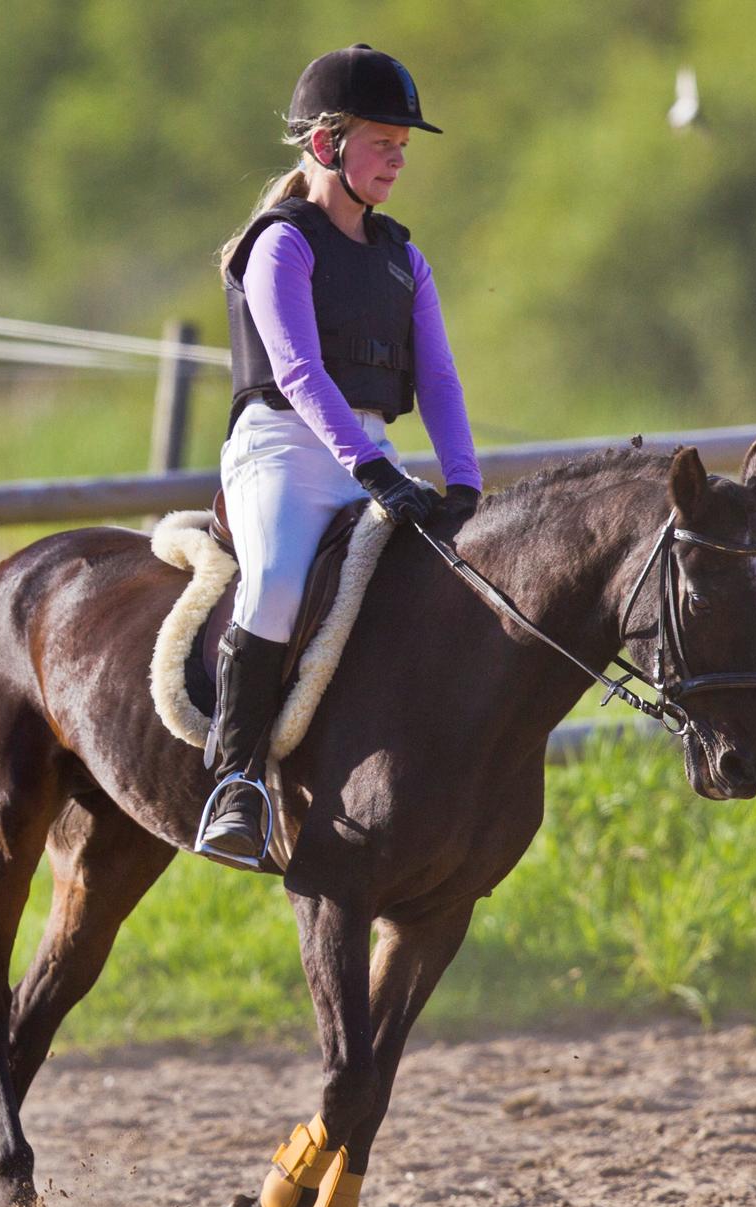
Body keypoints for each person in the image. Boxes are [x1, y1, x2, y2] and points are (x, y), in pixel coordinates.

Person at [196, 43, 483, 866]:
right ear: (326, 145)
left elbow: (438, 377)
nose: (398, 158)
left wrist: (463, 482)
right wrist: (375, 471)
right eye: (382, 141)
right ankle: (237, 783)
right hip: (281, 448)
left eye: (403, 145)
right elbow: (297, 371)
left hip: (370, 450)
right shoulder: (280, 245)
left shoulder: (404, 258)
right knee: (280, 577)